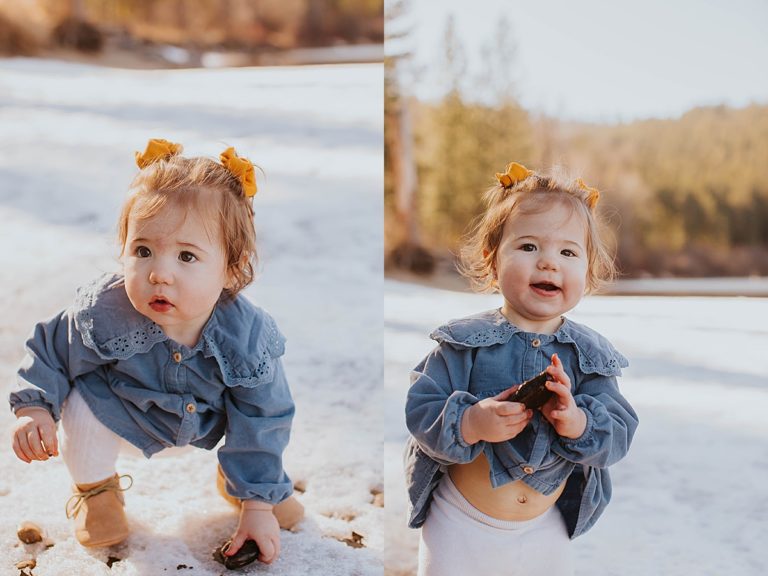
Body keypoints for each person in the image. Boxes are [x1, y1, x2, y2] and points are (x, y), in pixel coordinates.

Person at [9, 139, 303, 563]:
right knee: (81, 402)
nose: (159, 273)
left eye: (187, 256)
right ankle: (97, 492)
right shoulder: (105, 311)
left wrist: (259, 503)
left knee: (252, 429)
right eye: (143, 250)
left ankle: (243, 484)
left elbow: (264, 416)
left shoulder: (246, 338)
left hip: (202, 425)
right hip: (120, 411)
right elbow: (52, 351)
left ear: (231, 269)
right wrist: (34, 408)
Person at [404, 162, 639, 576]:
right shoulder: (463, 343)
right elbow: (421, 410)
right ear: (492, 259)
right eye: (529, 247)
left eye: (568, 252)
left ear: (588, 269)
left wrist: (579, 422)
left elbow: (618, 436)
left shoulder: (592, 356)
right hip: (460, 521)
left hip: (545, 529)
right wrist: (471, 422)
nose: (549, 263)